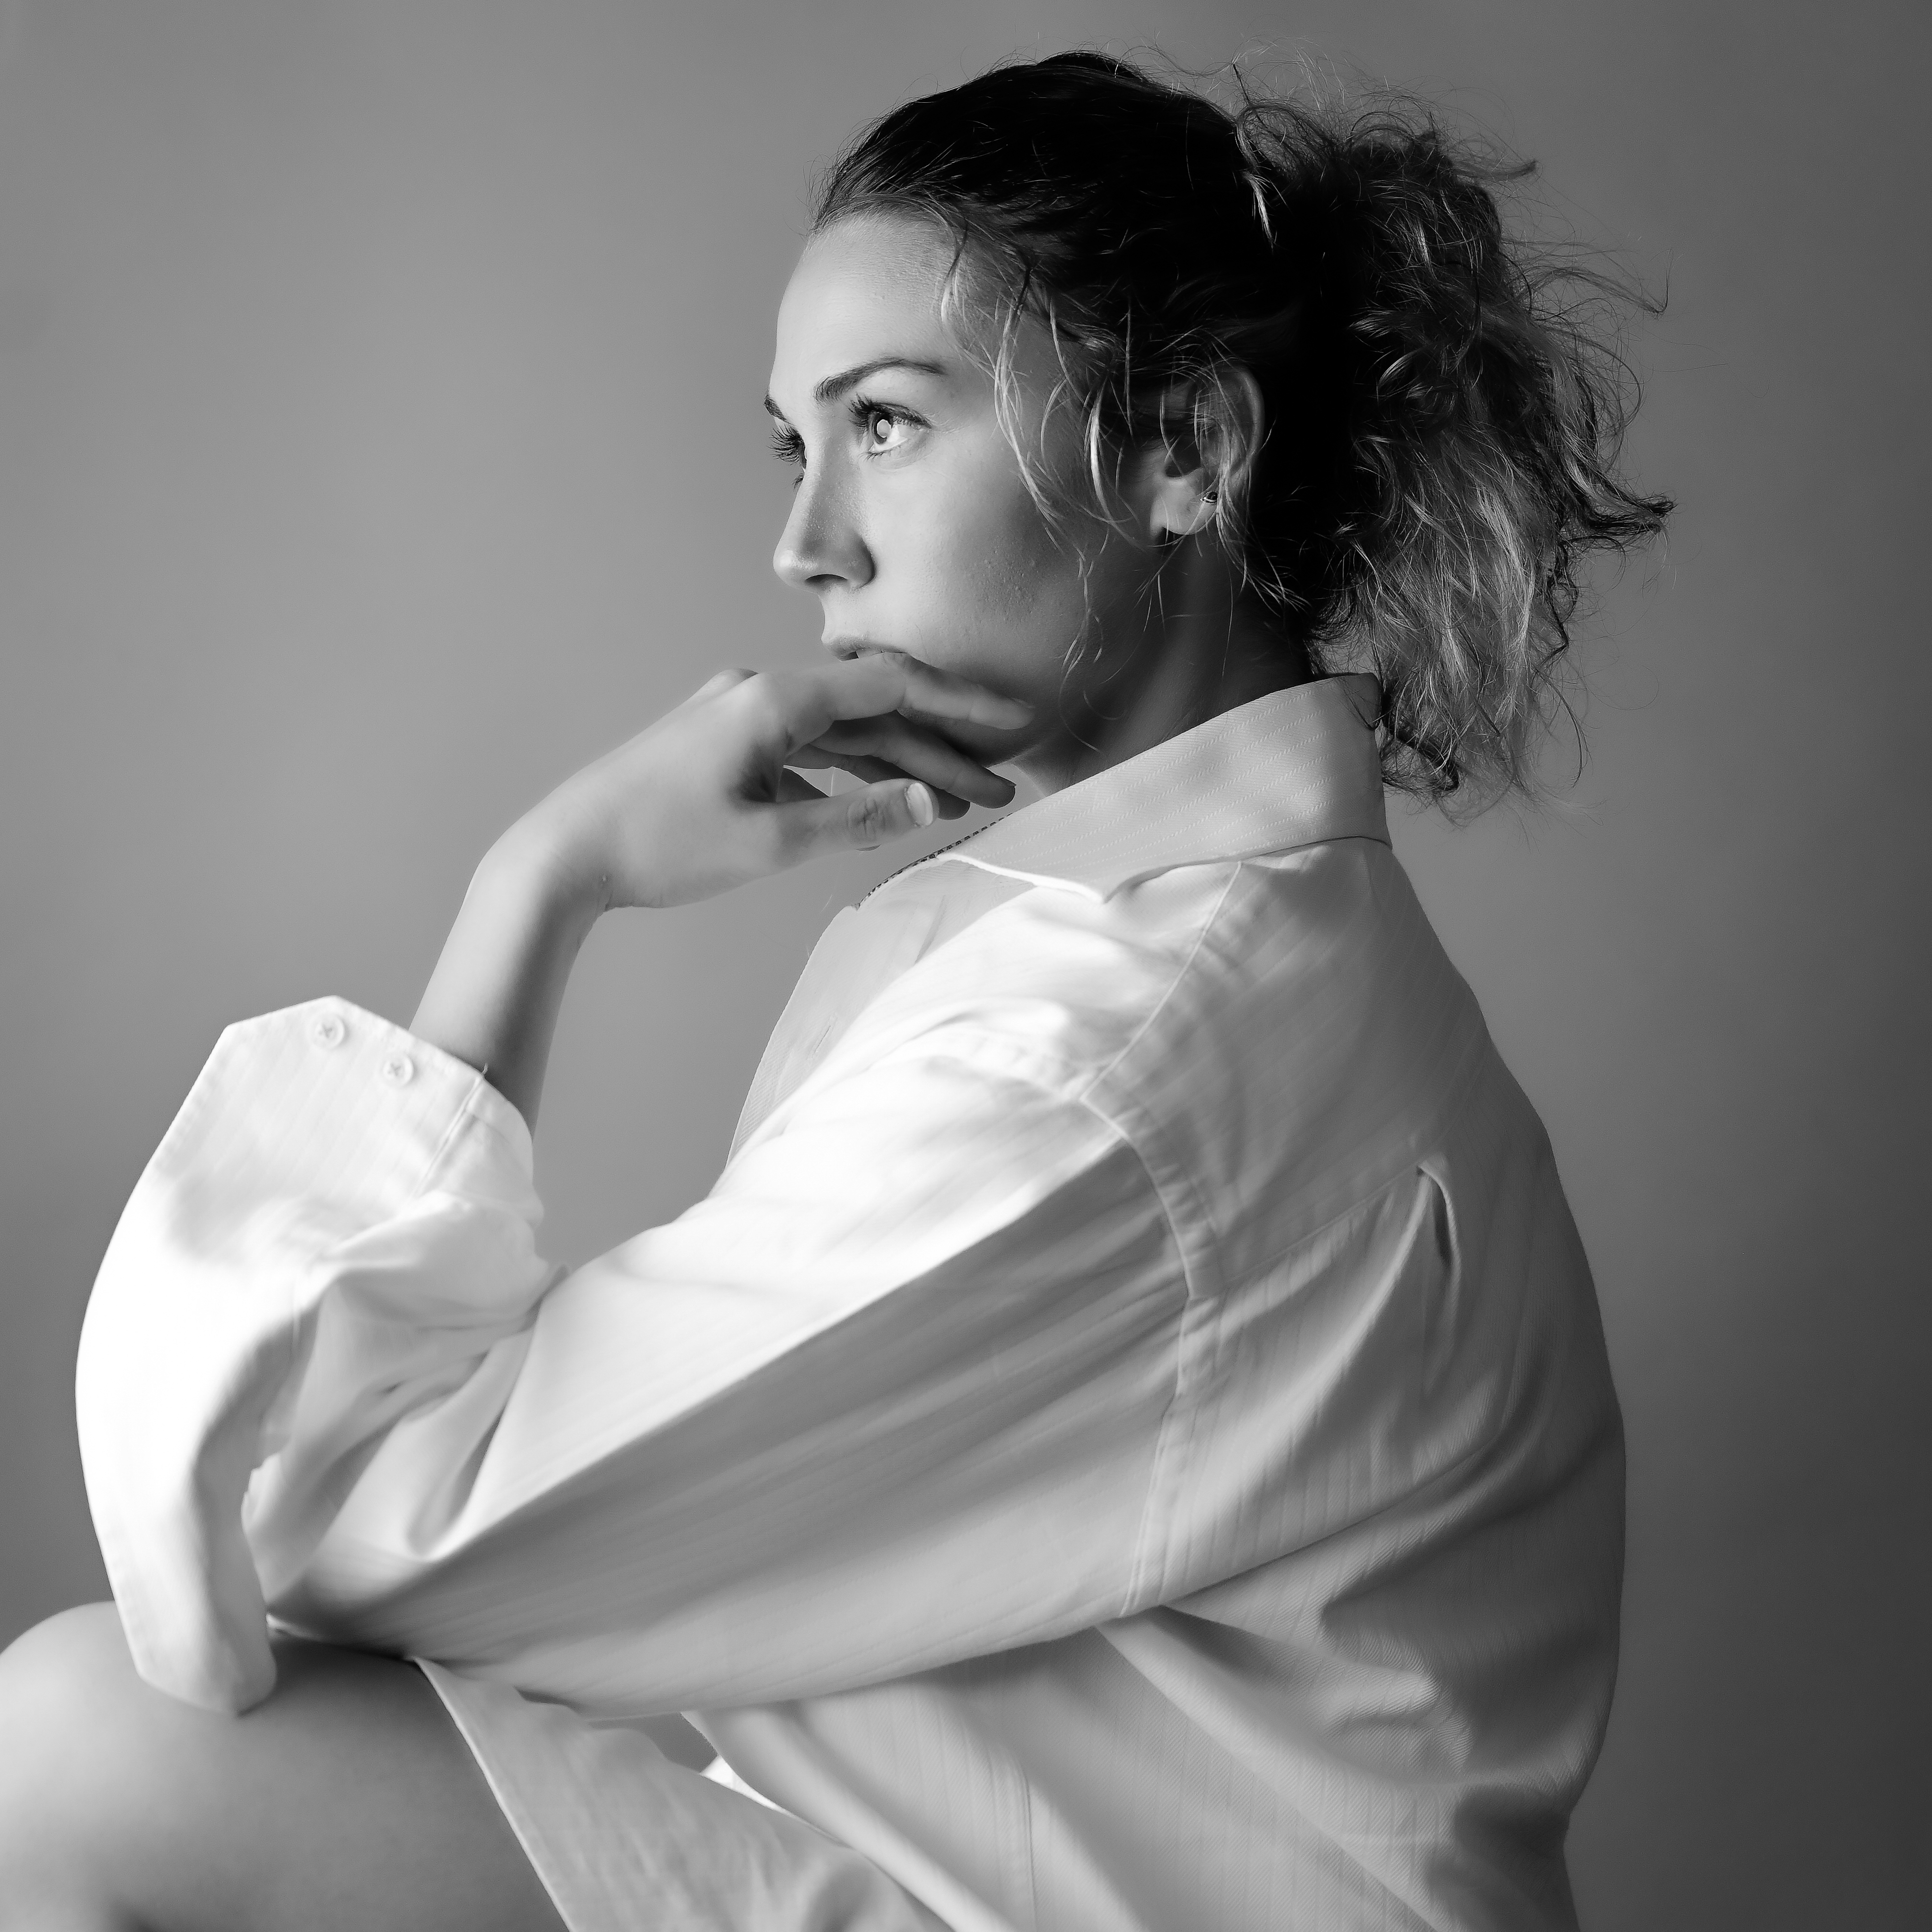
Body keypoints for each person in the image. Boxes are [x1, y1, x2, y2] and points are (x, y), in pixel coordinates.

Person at [0, 48, 1669, 1932]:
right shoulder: (1178, 947)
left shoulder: (1111, 1057)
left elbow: (306, 1530)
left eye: (885, 422)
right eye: (794, 443)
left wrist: (536, 887)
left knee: (71, 1751)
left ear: (1185, 451)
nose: (805, 544)